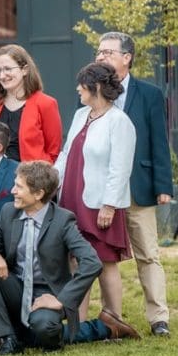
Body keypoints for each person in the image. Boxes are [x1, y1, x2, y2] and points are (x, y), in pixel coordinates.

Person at [0, 161, 140, 355]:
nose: (12, 191)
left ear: (38, 194)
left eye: (19, 187)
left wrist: (61, 300)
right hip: (16, 288)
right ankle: (8, 338)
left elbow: (92, 262)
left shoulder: (63, 220)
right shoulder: (9, 211)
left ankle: (104, 328)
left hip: (48, 293)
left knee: (44, 330)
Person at [95, 33, 172, 336]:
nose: (101, 57)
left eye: (107, 52)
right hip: (103, 193)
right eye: (98, 52)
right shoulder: (92, 92)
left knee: (148, 254)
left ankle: (159, 318)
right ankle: (111, 317)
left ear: (126, 57)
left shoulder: (150, 94)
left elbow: (159, 141)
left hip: (138, 187)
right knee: (105, 257)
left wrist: (162, 185)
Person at [55, 63, 137, 322]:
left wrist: (110, 205)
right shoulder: (81, 115)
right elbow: (66, 154)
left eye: (83, 84)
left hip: (99, 205)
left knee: (104, 262)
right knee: (76, 261)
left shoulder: (119, 121)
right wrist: (50, 182)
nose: (78, 88)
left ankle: (114, 320)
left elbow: (120, 168)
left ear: (97, 87)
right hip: (72, 200)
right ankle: (76, 323)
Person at [0, 44, 62, 163]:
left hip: (31, 177)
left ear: (24, 70)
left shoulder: (46, 103)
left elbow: (53, 152)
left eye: (8, 69)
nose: (2, 75)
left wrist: (38, 177)